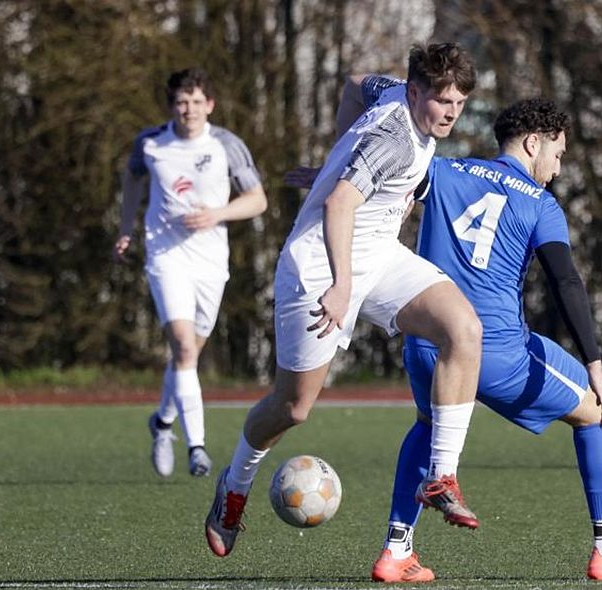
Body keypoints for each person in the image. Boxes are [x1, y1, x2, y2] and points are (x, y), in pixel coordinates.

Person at [370, 98, 602, 582]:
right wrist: (595, 363)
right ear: (534, 142)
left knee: (429, 425)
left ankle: (396, 551)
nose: (557, 166)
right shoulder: (539, 203)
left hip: (425, 347)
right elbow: (566, 282)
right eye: (558, 152)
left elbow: (385, 183)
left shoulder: (444, 171)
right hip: (495, 353)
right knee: (596, 410)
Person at [204, 43, 484, 558]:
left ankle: (442, 477)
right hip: (318, 267)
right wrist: (341, 283)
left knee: (463, 329)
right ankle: (235, 485)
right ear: (416, 91)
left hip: (377, 253)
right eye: (443, 102)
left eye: (460, 104)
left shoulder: (394, 92)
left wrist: (338, 161)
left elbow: (355, 83)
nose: (451, 114)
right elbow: (339, 203)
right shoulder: (395, 140)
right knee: (294, 407)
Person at [113, 68, 268, 478]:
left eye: (198, 102)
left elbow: (257, 200)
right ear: (171, 106)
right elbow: (131, 181)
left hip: (210, 262)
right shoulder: (150, 143)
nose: (190, 110)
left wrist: (217, 214)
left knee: (189, 355)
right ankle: (197, 447)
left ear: (210, 105)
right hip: (166, 258)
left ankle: (162, 423)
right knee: (183, 348)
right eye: (182, 102)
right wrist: (126, 230)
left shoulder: (226, 145)